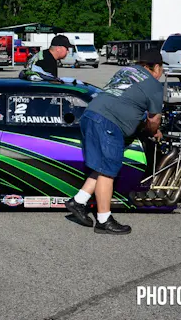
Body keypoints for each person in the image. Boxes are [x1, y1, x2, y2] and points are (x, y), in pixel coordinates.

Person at [65, 49, 165, 235]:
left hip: (91, 114)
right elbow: (153, 120)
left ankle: (78, 201)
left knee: (102, 165)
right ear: (157, 67)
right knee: (108, 171)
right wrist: (152, 131)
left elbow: (123, 99)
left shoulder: (126, 71)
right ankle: (104, 220)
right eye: (162, 70)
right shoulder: (154, 85)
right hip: (108, 122)